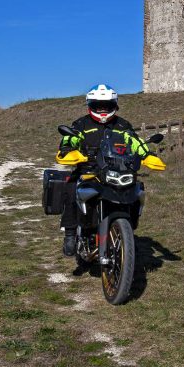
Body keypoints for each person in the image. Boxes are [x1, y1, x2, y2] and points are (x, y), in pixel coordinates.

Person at [59, 83, 150, 256]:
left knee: (136, 191)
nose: (102, 109)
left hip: (118, 170)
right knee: (70, 187)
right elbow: (70, 138)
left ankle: (126, 236)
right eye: (98, 105)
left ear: (114, 105)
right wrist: (66, 150)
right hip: (89, 170)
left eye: (106, 105)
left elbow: (135, 141)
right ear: (90, 105)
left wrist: (147, 155)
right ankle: (70, 233)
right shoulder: (81, 124)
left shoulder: (123, 125)